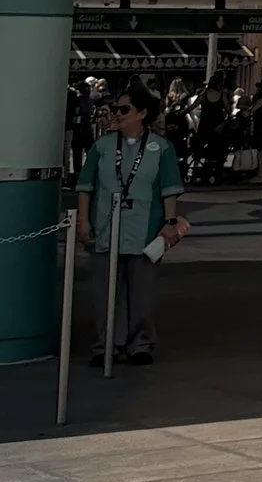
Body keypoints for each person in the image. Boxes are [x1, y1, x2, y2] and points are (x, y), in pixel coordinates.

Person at [73, 79, 189, 366]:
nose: (117, 113)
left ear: (142, 113)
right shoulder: (102, 146)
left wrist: (170, 222)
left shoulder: (161, 148)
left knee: (142, 291)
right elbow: (85, 186)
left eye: (124, 109)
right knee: (105, 291)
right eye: (115, 108)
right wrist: (83, 221)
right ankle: (106, 344)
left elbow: (169, 189)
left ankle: (140, 343)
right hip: (105, 227)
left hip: (145, 229)